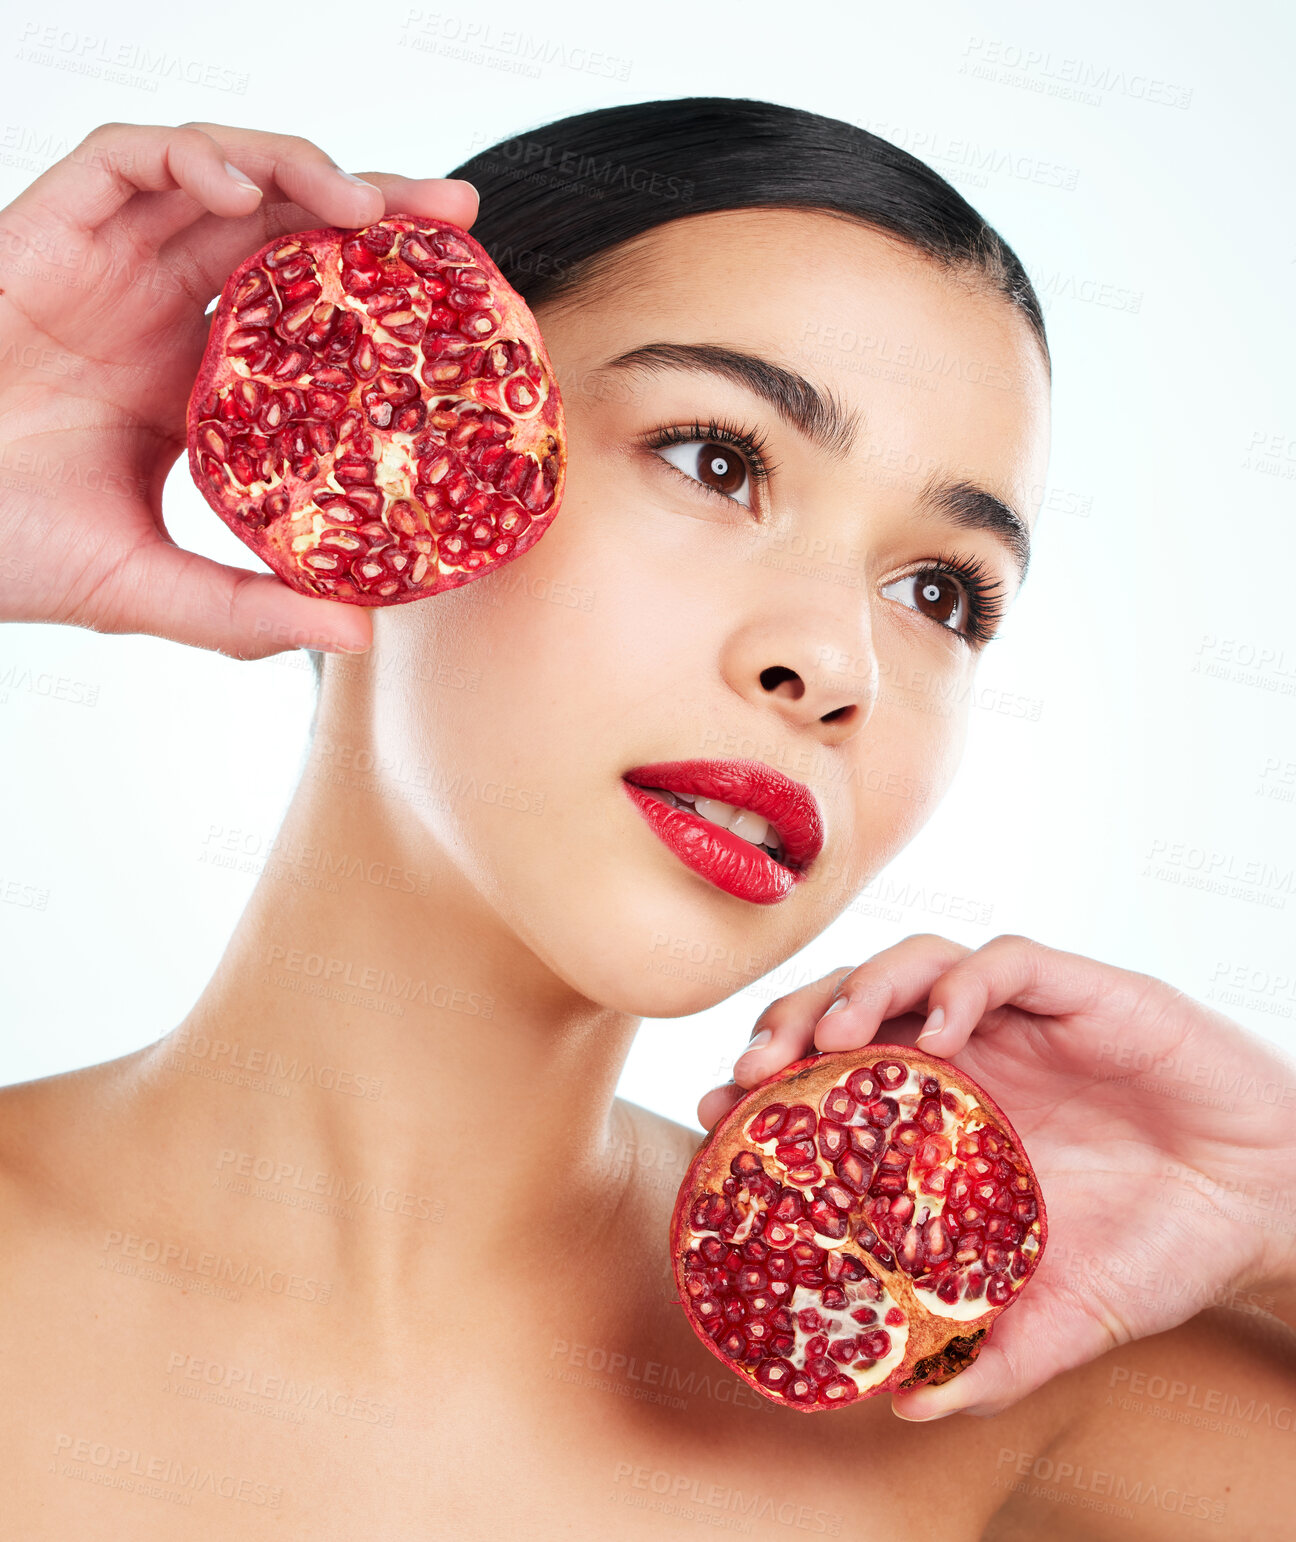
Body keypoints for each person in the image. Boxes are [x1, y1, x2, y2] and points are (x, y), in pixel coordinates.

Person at [1, 101, 1292, 1538]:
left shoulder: (987, 1418)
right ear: (387, 427)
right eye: (717, 459)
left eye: (943, 592)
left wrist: (1284, 1206)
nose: (836, 666)